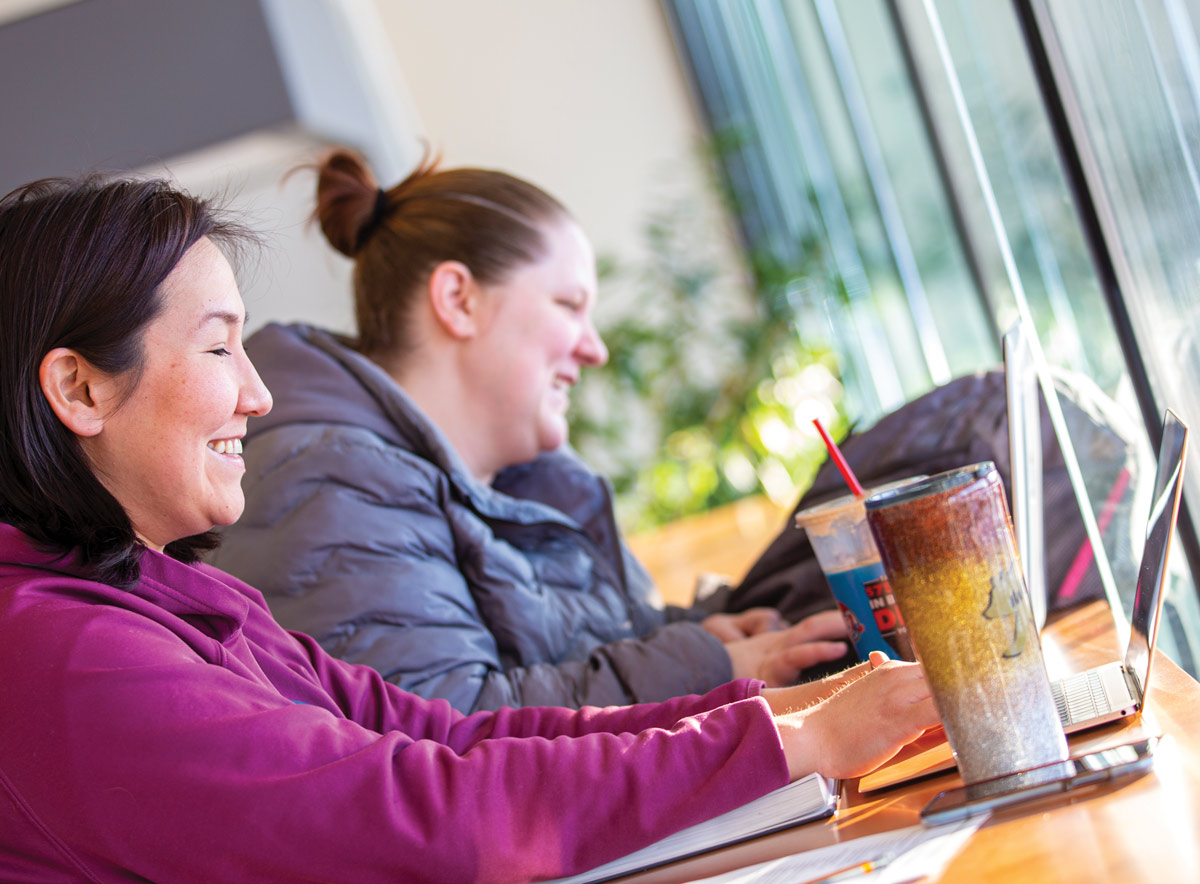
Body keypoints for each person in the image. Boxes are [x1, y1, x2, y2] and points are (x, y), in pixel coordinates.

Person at [0, 173, 936, 883]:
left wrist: (779, 715)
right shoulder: (64, 657)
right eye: (216, 347)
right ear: (79, 388)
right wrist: (788, 741)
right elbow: (424, 809)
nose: (257, 393)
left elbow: (443, 737)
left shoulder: (171, 595)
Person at [211, 149, 850, 714]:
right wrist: (705, 668)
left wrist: (704, 635)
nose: (594, 349)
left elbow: (570, 656)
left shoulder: (519, 476)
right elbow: (451, 728)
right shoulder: (333, 483)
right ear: (458, 299)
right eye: (569, 306)